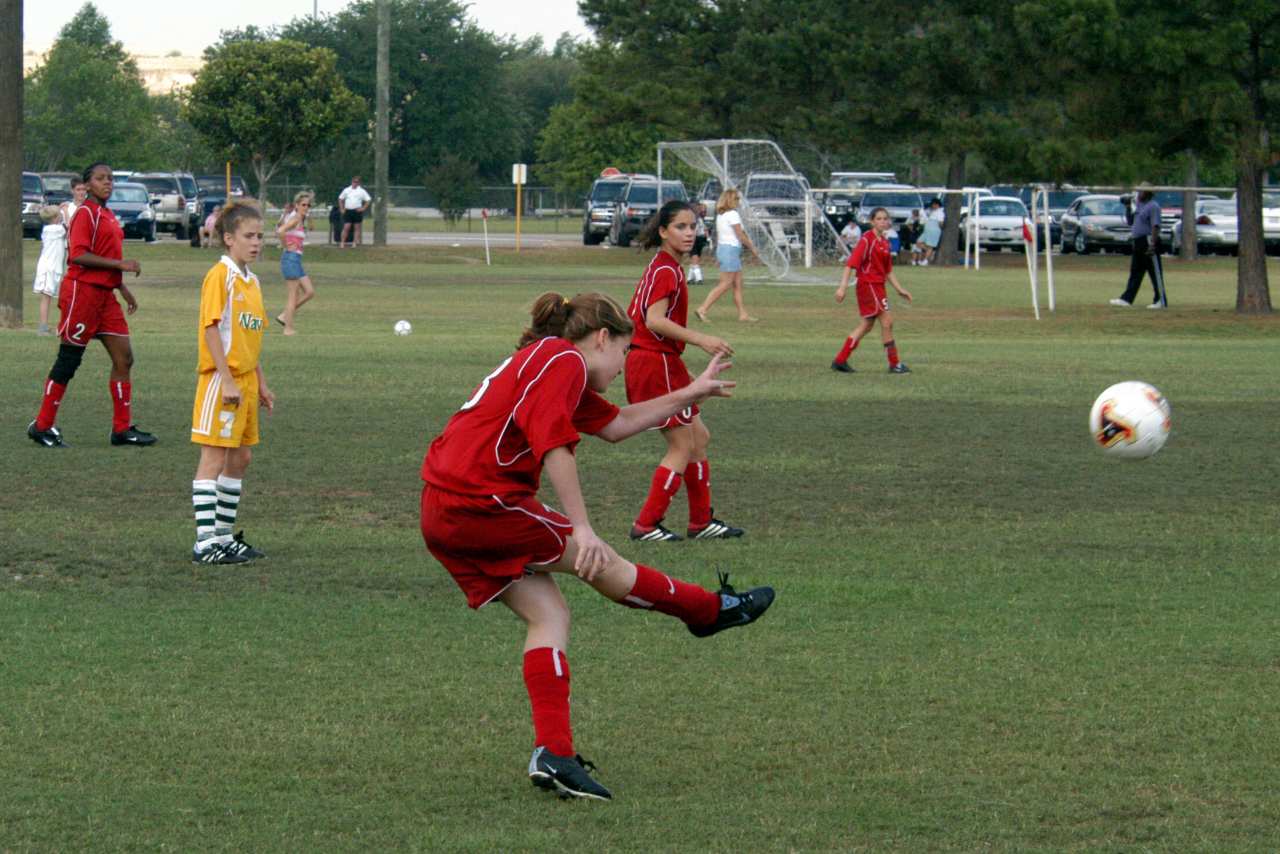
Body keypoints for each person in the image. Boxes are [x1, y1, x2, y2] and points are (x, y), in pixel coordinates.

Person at [420, 290, 774, 800]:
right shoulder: (562, 358)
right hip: (482, 502)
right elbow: (554, 446)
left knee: (549, 615)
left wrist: (690, 392)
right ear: (603, 338)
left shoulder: (549, 361)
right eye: (625, 352)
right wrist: (581, 528)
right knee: (604, 565)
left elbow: (615, 424)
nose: (625, 365)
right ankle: (708, 611)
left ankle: (554, 754)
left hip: (443, 507)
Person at [627, 200, 745, 542]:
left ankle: (700, 522)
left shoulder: (667, 266)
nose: (689, 232)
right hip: (654, 362)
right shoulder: (666, 270)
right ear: (663, 231)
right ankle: (646, 524)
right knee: (681, 444)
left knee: (699, 438)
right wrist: (702, 339)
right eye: (680, 226)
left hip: (662, 361)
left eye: (693, 226)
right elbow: (653, 320)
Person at [27, 162, 156, 449]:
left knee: (124, 358)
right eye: (100, 178)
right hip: (82, 293)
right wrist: (120, 265)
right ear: (87, 185)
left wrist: (122, 288)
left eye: (110, 178)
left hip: (105, 297)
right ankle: (42, 426)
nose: (107, 182)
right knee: (69, 360)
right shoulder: (85, 213)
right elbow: (78, 255)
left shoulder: (107, 214)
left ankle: (121, 430)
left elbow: (107, 254)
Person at [190, 201, 275, 565]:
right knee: (213, 457)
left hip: (246, 382)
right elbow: (210, 328)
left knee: (240, 458)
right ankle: (204, 543)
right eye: (249, 236)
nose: (256, 243)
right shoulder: (220, 275)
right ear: (228, 238)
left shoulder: (252, 281)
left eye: (260, 236)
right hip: (221, 381)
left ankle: (224, 537)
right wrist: (226, 379)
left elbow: (248, 339)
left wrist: (261, 382)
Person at [831, 207, 914, 375]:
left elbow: (888, 271)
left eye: (885, 218)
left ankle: (840, 360)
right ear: (872, 221)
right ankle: (894, 364)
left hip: (878, 287)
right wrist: (842, 288)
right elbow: (850, 264)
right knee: (887, 322)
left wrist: (900, 289)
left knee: (867, 325)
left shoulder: (884, 241)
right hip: (868, 285)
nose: (883, 221)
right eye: (879, 219)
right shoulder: (866, 240)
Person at [695, 188, 762, 323]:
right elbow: (740, 235)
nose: (738, 201)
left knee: (737, 284)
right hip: (729, 251)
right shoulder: (732, 214)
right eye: (737, 199)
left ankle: (742, 314)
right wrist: (753, 248)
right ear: (731, 200)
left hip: (726, 250)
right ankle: (702, 309)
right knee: (725, 284)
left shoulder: (722, 215)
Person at [1111, 189, 1167, 309]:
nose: (1138, 194)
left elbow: (1156, 226)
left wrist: (1152, 244)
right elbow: (1130, 221)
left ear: (1147, 194)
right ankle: (1127, 299)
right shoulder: (1139, 205)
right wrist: (1127, 207)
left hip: (1148, 240)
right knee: (1135, 272)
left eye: (1141, 192)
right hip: (1138, 242)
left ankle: (1160, 300)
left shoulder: (1153, 206)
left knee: (1154, 272)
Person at [275, 191, 316, 335]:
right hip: (290, 258)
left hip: (296, 259)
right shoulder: (296, 217)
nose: (306, 207)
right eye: (303, 205)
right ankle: (288, 328)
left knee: (309, 292)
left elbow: (312, 228)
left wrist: (308, 216)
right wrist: (285, 245)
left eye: (308, 205)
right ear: (297, 205)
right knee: (293, 295)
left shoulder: (300, 218)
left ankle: (284, 316)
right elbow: (280, 231)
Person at [32, 206, 67, 336]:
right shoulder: (53, 229)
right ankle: (42, 327)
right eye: (60, 214)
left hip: (54, 268)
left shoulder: (55, 229)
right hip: (48, 268)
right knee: (46, 297)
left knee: (51, 296)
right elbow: (69, 226)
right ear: (55, 217)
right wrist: (66, 211)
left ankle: (47, 326)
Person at [337, 176, 372, 248]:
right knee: (346, 227)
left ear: (359, 183)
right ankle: (342, 242)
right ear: (351, 182)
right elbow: (340, 199)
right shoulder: (346, 190)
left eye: (357, 182)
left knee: (357, 228)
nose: (355, 183)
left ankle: (354, 243)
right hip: (348, 211)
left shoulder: (361, 191)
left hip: (357, 211)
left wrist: (363, 208)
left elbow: (368, 200)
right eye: (354, 182)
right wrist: (341, 209)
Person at [917, 198, 944, 266]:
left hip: (934, 231)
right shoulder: (932, 211)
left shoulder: (940, 213)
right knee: (918, 242)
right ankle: (931, 253)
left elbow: (941, 223)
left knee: (930, 246)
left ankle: (925, 260)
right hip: (927, 231)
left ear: (937, 205)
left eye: (933, 204)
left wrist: (938, 229)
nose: (932, 206)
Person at [688, 201, 709, 284]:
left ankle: (690, 278)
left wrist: (708, 238)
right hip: (694, 239)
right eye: (703, 211)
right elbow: (693, 230)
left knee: (695, 260)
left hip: (700, 239)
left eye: (705, 211)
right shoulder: (694, 219)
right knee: (695, 259)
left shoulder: (701, 219)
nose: (704, 213)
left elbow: (705, 229)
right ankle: (698, 278)